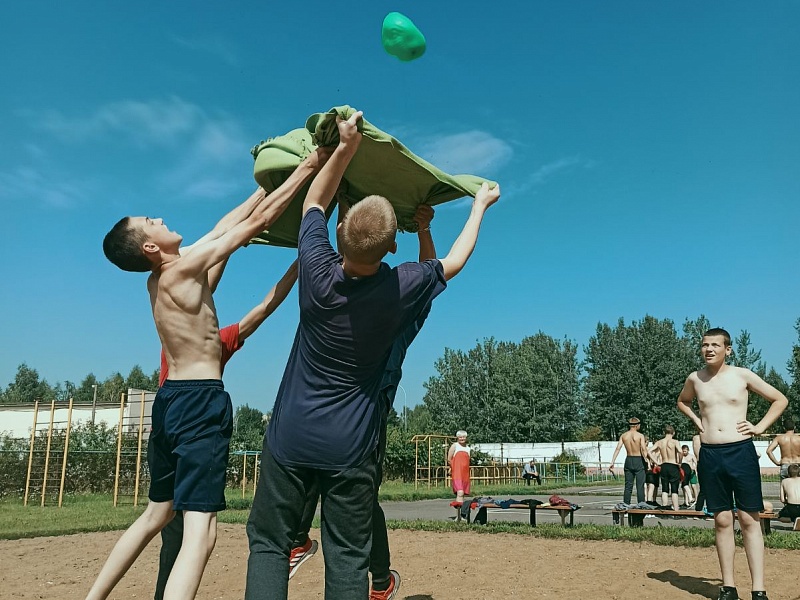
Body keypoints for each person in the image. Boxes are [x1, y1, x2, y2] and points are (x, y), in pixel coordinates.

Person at [244, 110, 501, 600]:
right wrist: (479, 206)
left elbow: (313, 201)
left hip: (290, 438)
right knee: (347, 557)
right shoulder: (399, 290)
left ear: (338, 239)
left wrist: (345, 148)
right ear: (390, 251)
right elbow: (453, 262)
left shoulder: (317, 274)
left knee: (269, 546)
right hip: (350, 450)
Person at [89, 147, 329, 600]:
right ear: (150, 246)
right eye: (151, 221)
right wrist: (309, 166)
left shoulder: (159, 279)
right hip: (200, 402)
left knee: (155, 515)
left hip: (170, 403)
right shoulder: (182, 271)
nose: (159, 217)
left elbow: (225, 227)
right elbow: (250, 229)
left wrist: (261, 188)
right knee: (202, 534)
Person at [288, 202, 439, 598]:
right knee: (340, 479)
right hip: (347, 414)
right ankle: (312, 546)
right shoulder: (378, 302)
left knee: (355, 490)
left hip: (356, 412)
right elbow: (426, 269)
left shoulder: (378, 305)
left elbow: (421, 276)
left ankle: (375, 578)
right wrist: (420, 230)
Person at [154, 261, 299, 600]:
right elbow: (261, 308)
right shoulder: (211, 341)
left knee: (170, 534)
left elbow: (211, 291)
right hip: (198, 436)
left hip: (166, 432)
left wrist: (233, 247)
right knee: (198, 536)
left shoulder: (175, 337)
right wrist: (294, 265)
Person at [677, 327, 788, 600]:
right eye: (705, 345)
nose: (709, 349)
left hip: (741, 452)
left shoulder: (742, 375)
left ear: (728, 349)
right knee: (722, 520)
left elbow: (780, 399)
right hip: (711, 456)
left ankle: (758, 589)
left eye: (715, 345)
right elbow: (682, 401)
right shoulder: (696, 379)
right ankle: (728, 587)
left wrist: (760, 427)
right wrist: (695, 420)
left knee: (750, 519)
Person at [609, 417, 658, 505]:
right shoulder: (640, 436)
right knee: (640, 486)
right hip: (638, 460)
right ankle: (641, 506)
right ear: (637, 425)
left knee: (628, 486)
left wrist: (612, 462)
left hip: (628, 460)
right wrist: (648, 461)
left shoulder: (624, 435)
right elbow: (644, 449)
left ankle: (626, 505)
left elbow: (618, 449)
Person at [653, 426, 683, 512]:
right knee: (674, 489)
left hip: (664, 465)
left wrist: (656, 462)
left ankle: (664, 509)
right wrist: (680, 462)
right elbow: (680, 451)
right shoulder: (675, 442)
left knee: (665, 489)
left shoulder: (660, 442)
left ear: (664, 433)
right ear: (673, 433)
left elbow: (649, 451)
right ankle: (676, 510)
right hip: (673, 465)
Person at [448, 430, 471, 502]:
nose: (462, 439)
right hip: (457, 473)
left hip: (465, 473)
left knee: (462, 493)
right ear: (457, 438)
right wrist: (453, 469)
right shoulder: (455, 446)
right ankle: (459, 509)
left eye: (464, 437)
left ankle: (461, 511)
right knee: (460, 492)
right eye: (460, 437)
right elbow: (449, 459)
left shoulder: (468, 448)